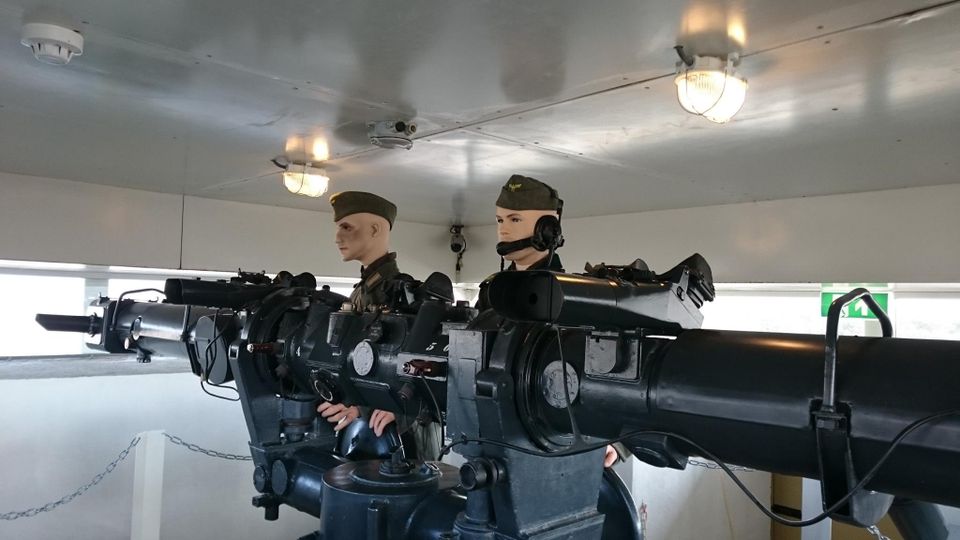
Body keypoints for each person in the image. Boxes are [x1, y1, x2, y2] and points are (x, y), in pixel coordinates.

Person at [485, 174, 624, 468]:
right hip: (491, 436)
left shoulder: (573, 297)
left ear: (548, 229)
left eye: (514, 219)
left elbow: (610, 372)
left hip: (551, 441)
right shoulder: (490, 293)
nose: (503, 229)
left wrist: (613, 440)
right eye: (499, 220)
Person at [316, 191, 440, 460]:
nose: (338, 237)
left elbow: (427, 371)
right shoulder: (361, 293)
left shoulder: (404, 296)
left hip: (404, 440)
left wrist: (382, 407)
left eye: (346, 227)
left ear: (374, 230)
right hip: (372, 436)